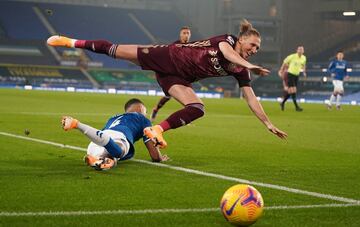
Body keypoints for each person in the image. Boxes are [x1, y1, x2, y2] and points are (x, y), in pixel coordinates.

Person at [48, 19, 287, 149]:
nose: (255, 50)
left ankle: (157, 129)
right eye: (253, 45)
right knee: (115, 51)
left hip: (175, 78)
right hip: (167, 55)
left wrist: (267, 123)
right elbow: (227, 52)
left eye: (258, 48)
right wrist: (249, 66)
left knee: (197, 108)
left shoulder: (241, 69)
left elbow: (250, 97)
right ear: (242, 39)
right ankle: (70, 42)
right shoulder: (228, 40)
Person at [61, 98, 169, 171]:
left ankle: (98, 161)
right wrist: (159, 158)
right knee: (119, 152)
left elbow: (103, 136)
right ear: (141, 109)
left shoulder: (113, 118)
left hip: (97, 141)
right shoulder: (142, 119)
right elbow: (154, 154)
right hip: (118, 138)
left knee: (110, 157)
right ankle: (76, 124)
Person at [151, 26, 192, 122]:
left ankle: (187, 117)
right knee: (169, 96)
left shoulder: (191, 47)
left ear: (190, 35)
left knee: (188, 96)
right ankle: (156, 109)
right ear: (180, 35)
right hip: (171, 74)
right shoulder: (174, 46)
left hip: (182, 75)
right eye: (184, 33)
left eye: (188, 33)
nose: (186, 35)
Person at [278, 46, 307, 111]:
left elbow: (304, 65)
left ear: (303, 51)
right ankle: (296, 107)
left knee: (291, 91)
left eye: (302, 49)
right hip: (290, 74)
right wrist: (281, 70)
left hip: (296, 75)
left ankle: (282, 103)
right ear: (297, 50)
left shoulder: (304, 58)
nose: (300, 50)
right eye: (299, 49)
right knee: (293, 90)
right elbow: (285, 62)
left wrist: (304, 72)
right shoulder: (292, 56)